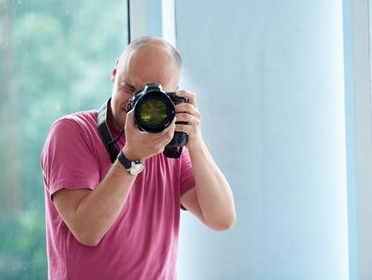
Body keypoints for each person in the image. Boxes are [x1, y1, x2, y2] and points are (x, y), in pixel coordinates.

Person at [40, 36, 236, 280]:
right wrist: (131, 156)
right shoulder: (72, 132)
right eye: (130, 88)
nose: (136, 103)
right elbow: (87, 230)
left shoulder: (168, 146)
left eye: (153, 95)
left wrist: (195, 143)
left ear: (173, 96)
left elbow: (222, 219)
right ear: (114, 73)